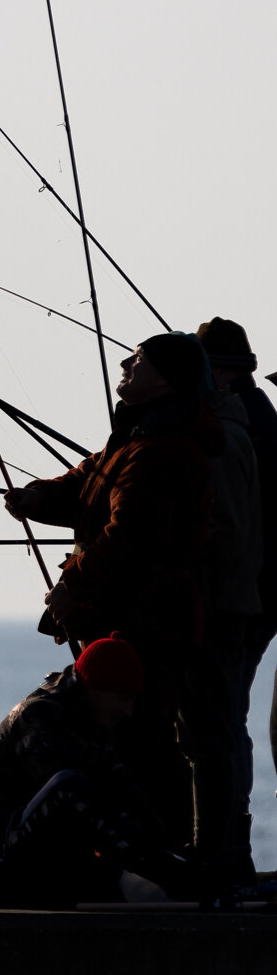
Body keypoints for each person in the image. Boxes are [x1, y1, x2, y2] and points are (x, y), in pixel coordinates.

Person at [4, 332, 223, 847]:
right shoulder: (137, 437)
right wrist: (34, 498)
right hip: (131, 616)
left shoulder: (163, 447)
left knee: (142, 740)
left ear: (166, 378)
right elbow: (88, 486)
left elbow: (127, 534)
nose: (125, 363)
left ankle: (160, 854)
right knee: (128, 739)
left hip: (149, 621)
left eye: (139, 359)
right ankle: (145, 856)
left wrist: (70, 587)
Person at [0, 633, 197, 908]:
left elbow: (126, 794)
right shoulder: (38, 716)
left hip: (55, 864)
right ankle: (171, 875)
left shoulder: (94, 721)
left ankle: (183, 875)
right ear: (95, 688)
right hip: (2, 869)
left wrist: (167, 846)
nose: (128, 711)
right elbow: (74, 809)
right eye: (123, 698)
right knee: (68, 786)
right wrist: (156, 864)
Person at [195, 317, 277, 859]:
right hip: (262, 592)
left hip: (246, 595)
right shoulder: (259, 417)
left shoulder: (233, 426)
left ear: (219, 372)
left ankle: (227, 845)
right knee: (233, 717)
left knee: (223, 720)